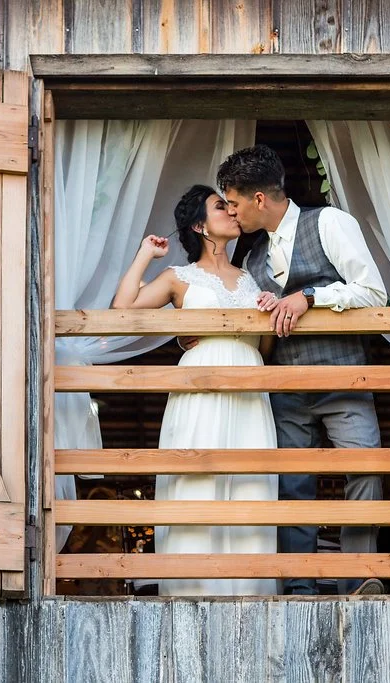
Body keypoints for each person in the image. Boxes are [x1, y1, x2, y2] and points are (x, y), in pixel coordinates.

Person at [216, 144, 390, 596]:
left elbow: (373, 293)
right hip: (285, 386)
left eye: (233, 203)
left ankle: (358, 578)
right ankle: (298, 585)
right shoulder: (250, 259)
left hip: (343, 377)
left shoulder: (329, 222)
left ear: (259, 200)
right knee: (293, 482)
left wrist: (310, 297)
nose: (231, 214)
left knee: (365, 467)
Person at [112, 184, 281, 596]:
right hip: (201, 382)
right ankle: (192, 591)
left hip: (249, 385)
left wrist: (268, 309)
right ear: (200, 226)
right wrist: (144, 255)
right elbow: (122, 312)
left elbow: (265, 346)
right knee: (197, 481)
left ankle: (249, 593)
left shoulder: (250, 277)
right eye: (220, 206)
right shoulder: (178, 278)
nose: (231, 212)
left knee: (250, 487)